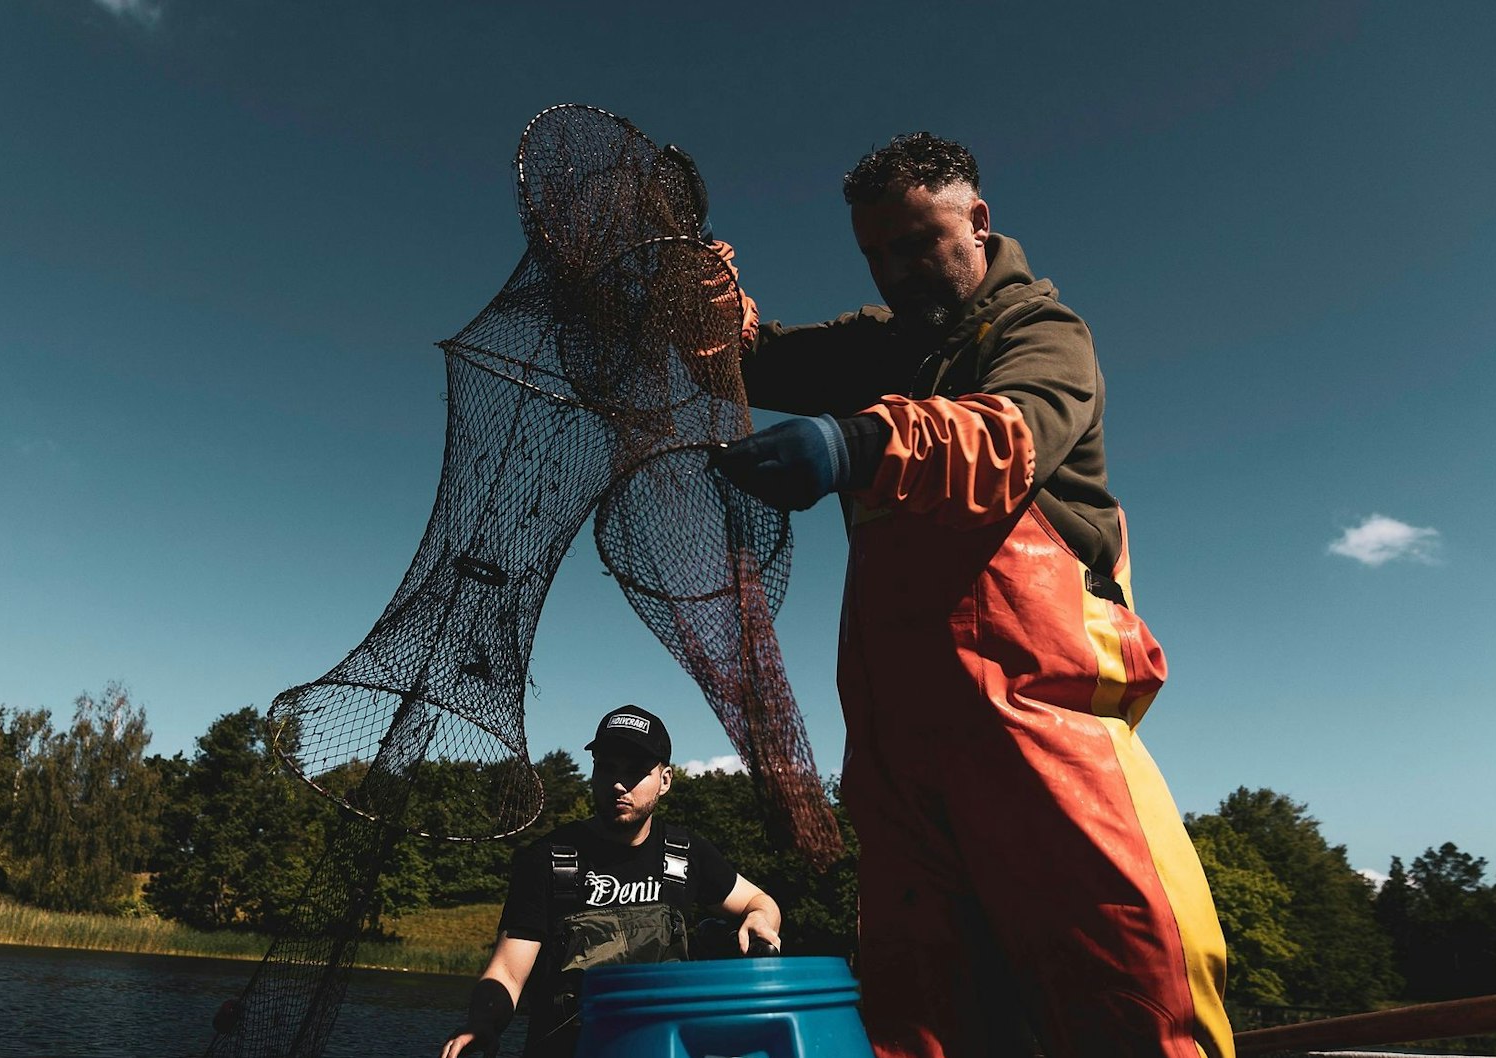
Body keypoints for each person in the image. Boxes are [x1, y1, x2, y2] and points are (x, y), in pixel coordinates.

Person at [707, 133, 1235, 1058]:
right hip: (900, 751)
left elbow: (1006, 437)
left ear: (979, 222)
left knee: (1134, 988)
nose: (896, 271)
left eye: (918, 243)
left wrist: (852, 444)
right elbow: (756, 362)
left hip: (1042, 727)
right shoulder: (880, 345)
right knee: (921, 1014)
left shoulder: (1042, 332)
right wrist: (713, 312)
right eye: (876, 253)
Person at [439, 704, 783, 1058]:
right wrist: (484, 1022)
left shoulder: (686, 853)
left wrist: (760, 918)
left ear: (665, 781)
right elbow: (508, 972)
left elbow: (760, 903)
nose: (618, 784)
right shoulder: (545, 858)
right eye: (606, 768)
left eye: (635, 771)